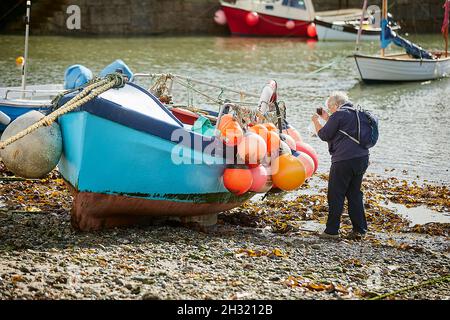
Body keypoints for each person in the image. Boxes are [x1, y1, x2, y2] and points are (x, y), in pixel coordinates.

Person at [311, 91, 369, 240]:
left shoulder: (338, 115)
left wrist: (316, 122)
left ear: (336, 105)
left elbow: (325, 134)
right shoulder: (358, 112)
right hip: (362, 158)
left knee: (336, 194)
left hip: (344, 159)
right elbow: (343, 129)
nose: (329, 110)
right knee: (354, 193)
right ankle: (360, 230)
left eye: (330, 107)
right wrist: (327, 118)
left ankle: (332, 231)